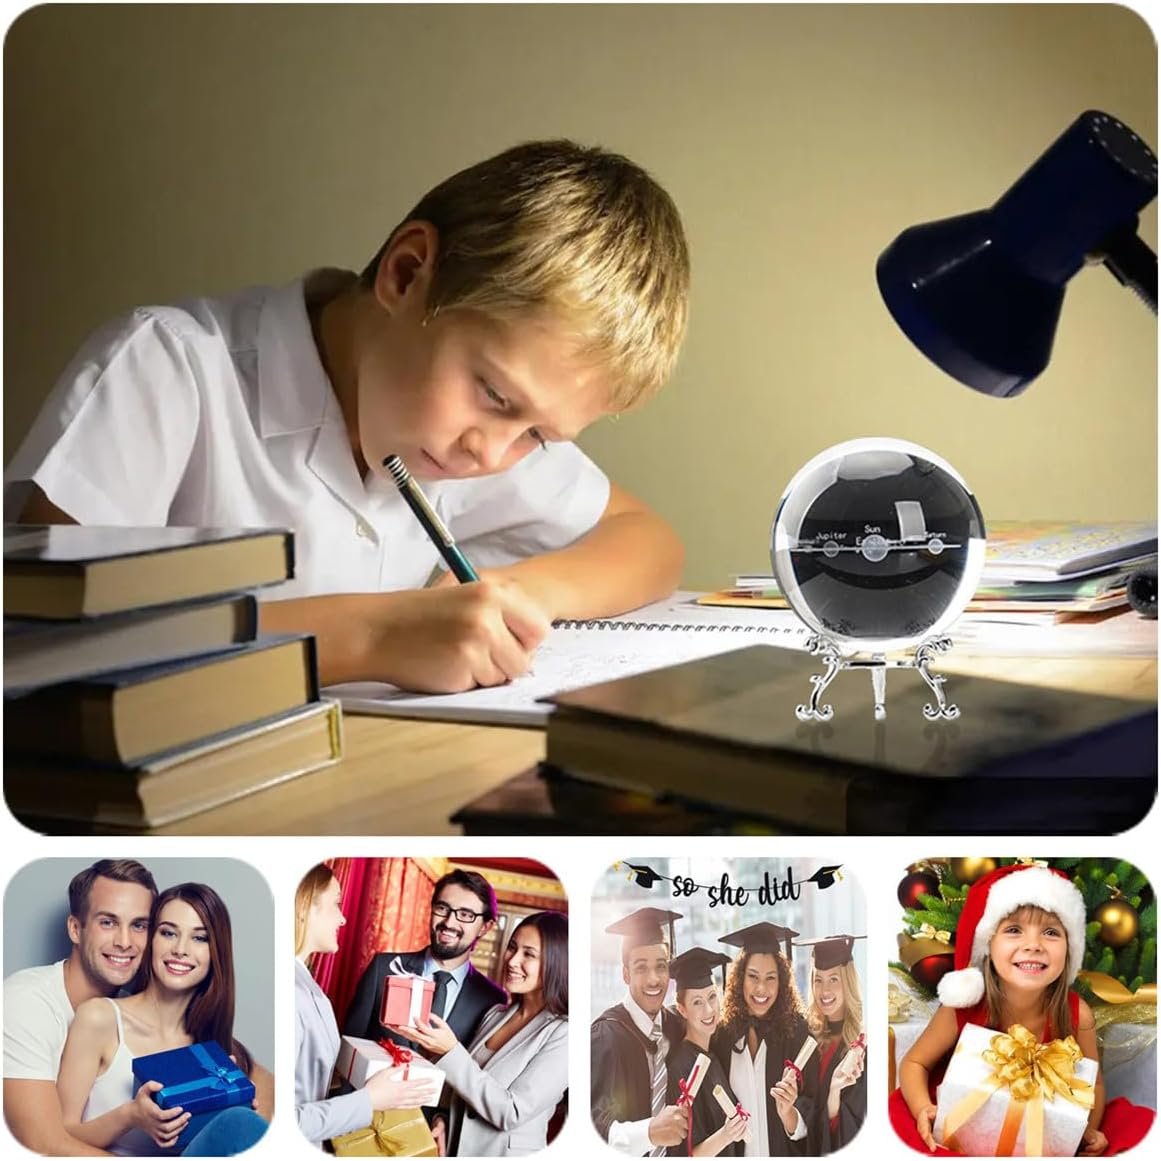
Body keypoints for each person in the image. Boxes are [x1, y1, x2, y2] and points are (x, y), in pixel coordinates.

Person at [6, 139, 690, 692]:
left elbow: (648, 542)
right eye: (493, 393)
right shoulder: (169, 368)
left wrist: (513, 592)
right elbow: (43, 641)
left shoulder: (467, 442)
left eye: (538, 435)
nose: (493, 453)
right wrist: (371, 637)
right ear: (404, 272)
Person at [889, 863, 1155, 1156]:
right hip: (963, 1126)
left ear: (1070, 949)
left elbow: (1094, 1085)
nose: (1033, 945)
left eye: (1051, 933)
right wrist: (923, 1109)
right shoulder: (962, 1006)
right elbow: (915, 1063)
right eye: (1014, 930)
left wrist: (1087, 1129)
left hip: (1046, 1138)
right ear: (988, 945)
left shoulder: (1078, 1016)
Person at [55, 882, 272, 1156]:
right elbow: (59, 1135)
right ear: (151, 941)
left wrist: (230, 1104)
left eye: (200, 938)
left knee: (240, 1123)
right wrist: (131, 1116)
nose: (180, 949)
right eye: (168, 933)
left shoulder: (211, 1052)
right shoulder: (100, 1018)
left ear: (216, 953)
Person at [4, 858, 158, 1156]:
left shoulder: (135, 1003)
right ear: (76, 929)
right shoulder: (25, 1001)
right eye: (108, 922)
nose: (125, 942)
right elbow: (42, 1145)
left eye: (139, 925)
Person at [398, 911, 569, 1156]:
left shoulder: (565, 1034)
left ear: (557, 963)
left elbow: (511, 1112)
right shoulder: (496, 1014)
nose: (512, 960)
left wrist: (451, 1051)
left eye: (529, 954)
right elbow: (462, 1087)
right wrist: (442, 1119)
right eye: (512, 947)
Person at [294, 864, 435, 1147]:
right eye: (336, 904)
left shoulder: (306, 983)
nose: (343, 919)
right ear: (306, 906)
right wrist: (370, 1099)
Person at [344, 868, 508, 1053]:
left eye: (465, 915)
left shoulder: (493, 999)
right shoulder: (382, 969)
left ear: (485, 927)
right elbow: (350, 1048)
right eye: (442, 908)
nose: (449, 922)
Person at [590, 907, 689, 1155]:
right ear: (626, 974)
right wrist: (648, 1133)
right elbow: (593, 1126)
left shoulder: (677, 1027)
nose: (654, 979)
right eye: (641, 968)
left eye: (661, 966)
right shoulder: (605, 1036)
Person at [711, 923, 816, 1157]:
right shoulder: (723, 1035)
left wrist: (789, 1112)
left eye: (771, 978)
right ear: (739, 979)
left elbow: (813, 1112)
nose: (761, 988)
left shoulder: (797, 1031)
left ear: (782, 982)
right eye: (753, 976)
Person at [663, 947, 750, 1158]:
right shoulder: (680, 1067)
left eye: (712, 997)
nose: (709, 1010)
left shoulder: (712, 1056)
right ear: (682, 1009)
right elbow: (684, 1154)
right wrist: (727, 1134)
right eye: (697, 1002)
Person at [798, 934, 866, 1153]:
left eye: (833, 979)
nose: (824, 991)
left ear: (847, 982)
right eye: (818, 979)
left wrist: (834, 1093)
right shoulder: (808, 1039)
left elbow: (856, 1123)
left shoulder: (861, 1047)